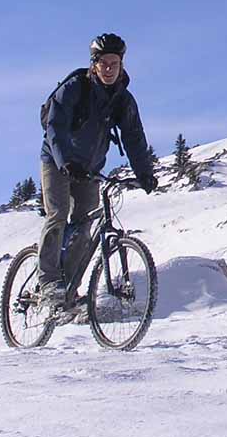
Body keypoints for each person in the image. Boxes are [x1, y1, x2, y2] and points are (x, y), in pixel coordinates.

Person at [38, 32, 158, 308]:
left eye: (114, 63)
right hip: (58, 162)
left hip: (90, 170)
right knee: (57, 214)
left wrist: (144, 173)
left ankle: (67, 290)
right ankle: (48, 282)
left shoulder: (123, 100)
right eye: (103, 63)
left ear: (122, 65)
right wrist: (64, 161)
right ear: (94, 64)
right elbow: (54, 127)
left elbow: (134, 138)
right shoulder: (74, 88)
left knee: (85, 225)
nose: (108, 68)